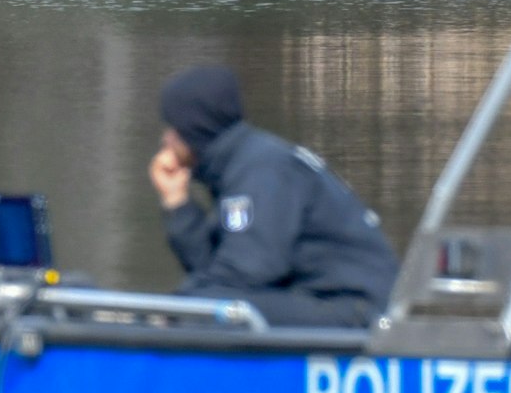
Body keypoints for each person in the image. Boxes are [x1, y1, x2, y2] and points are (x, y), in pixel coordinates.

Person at [148, 65, 399, 328]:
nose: (166, 139)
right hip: (322, 300)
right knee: (202, 302)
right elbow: (211, 269)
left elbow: (249, 270)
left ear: (195, 128)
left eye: (173, 128)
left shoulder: (263, 169)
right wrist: (177, 202)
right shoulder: (241, 164)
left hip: (355, 307)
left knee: (203, 307)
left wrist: (177, 307)